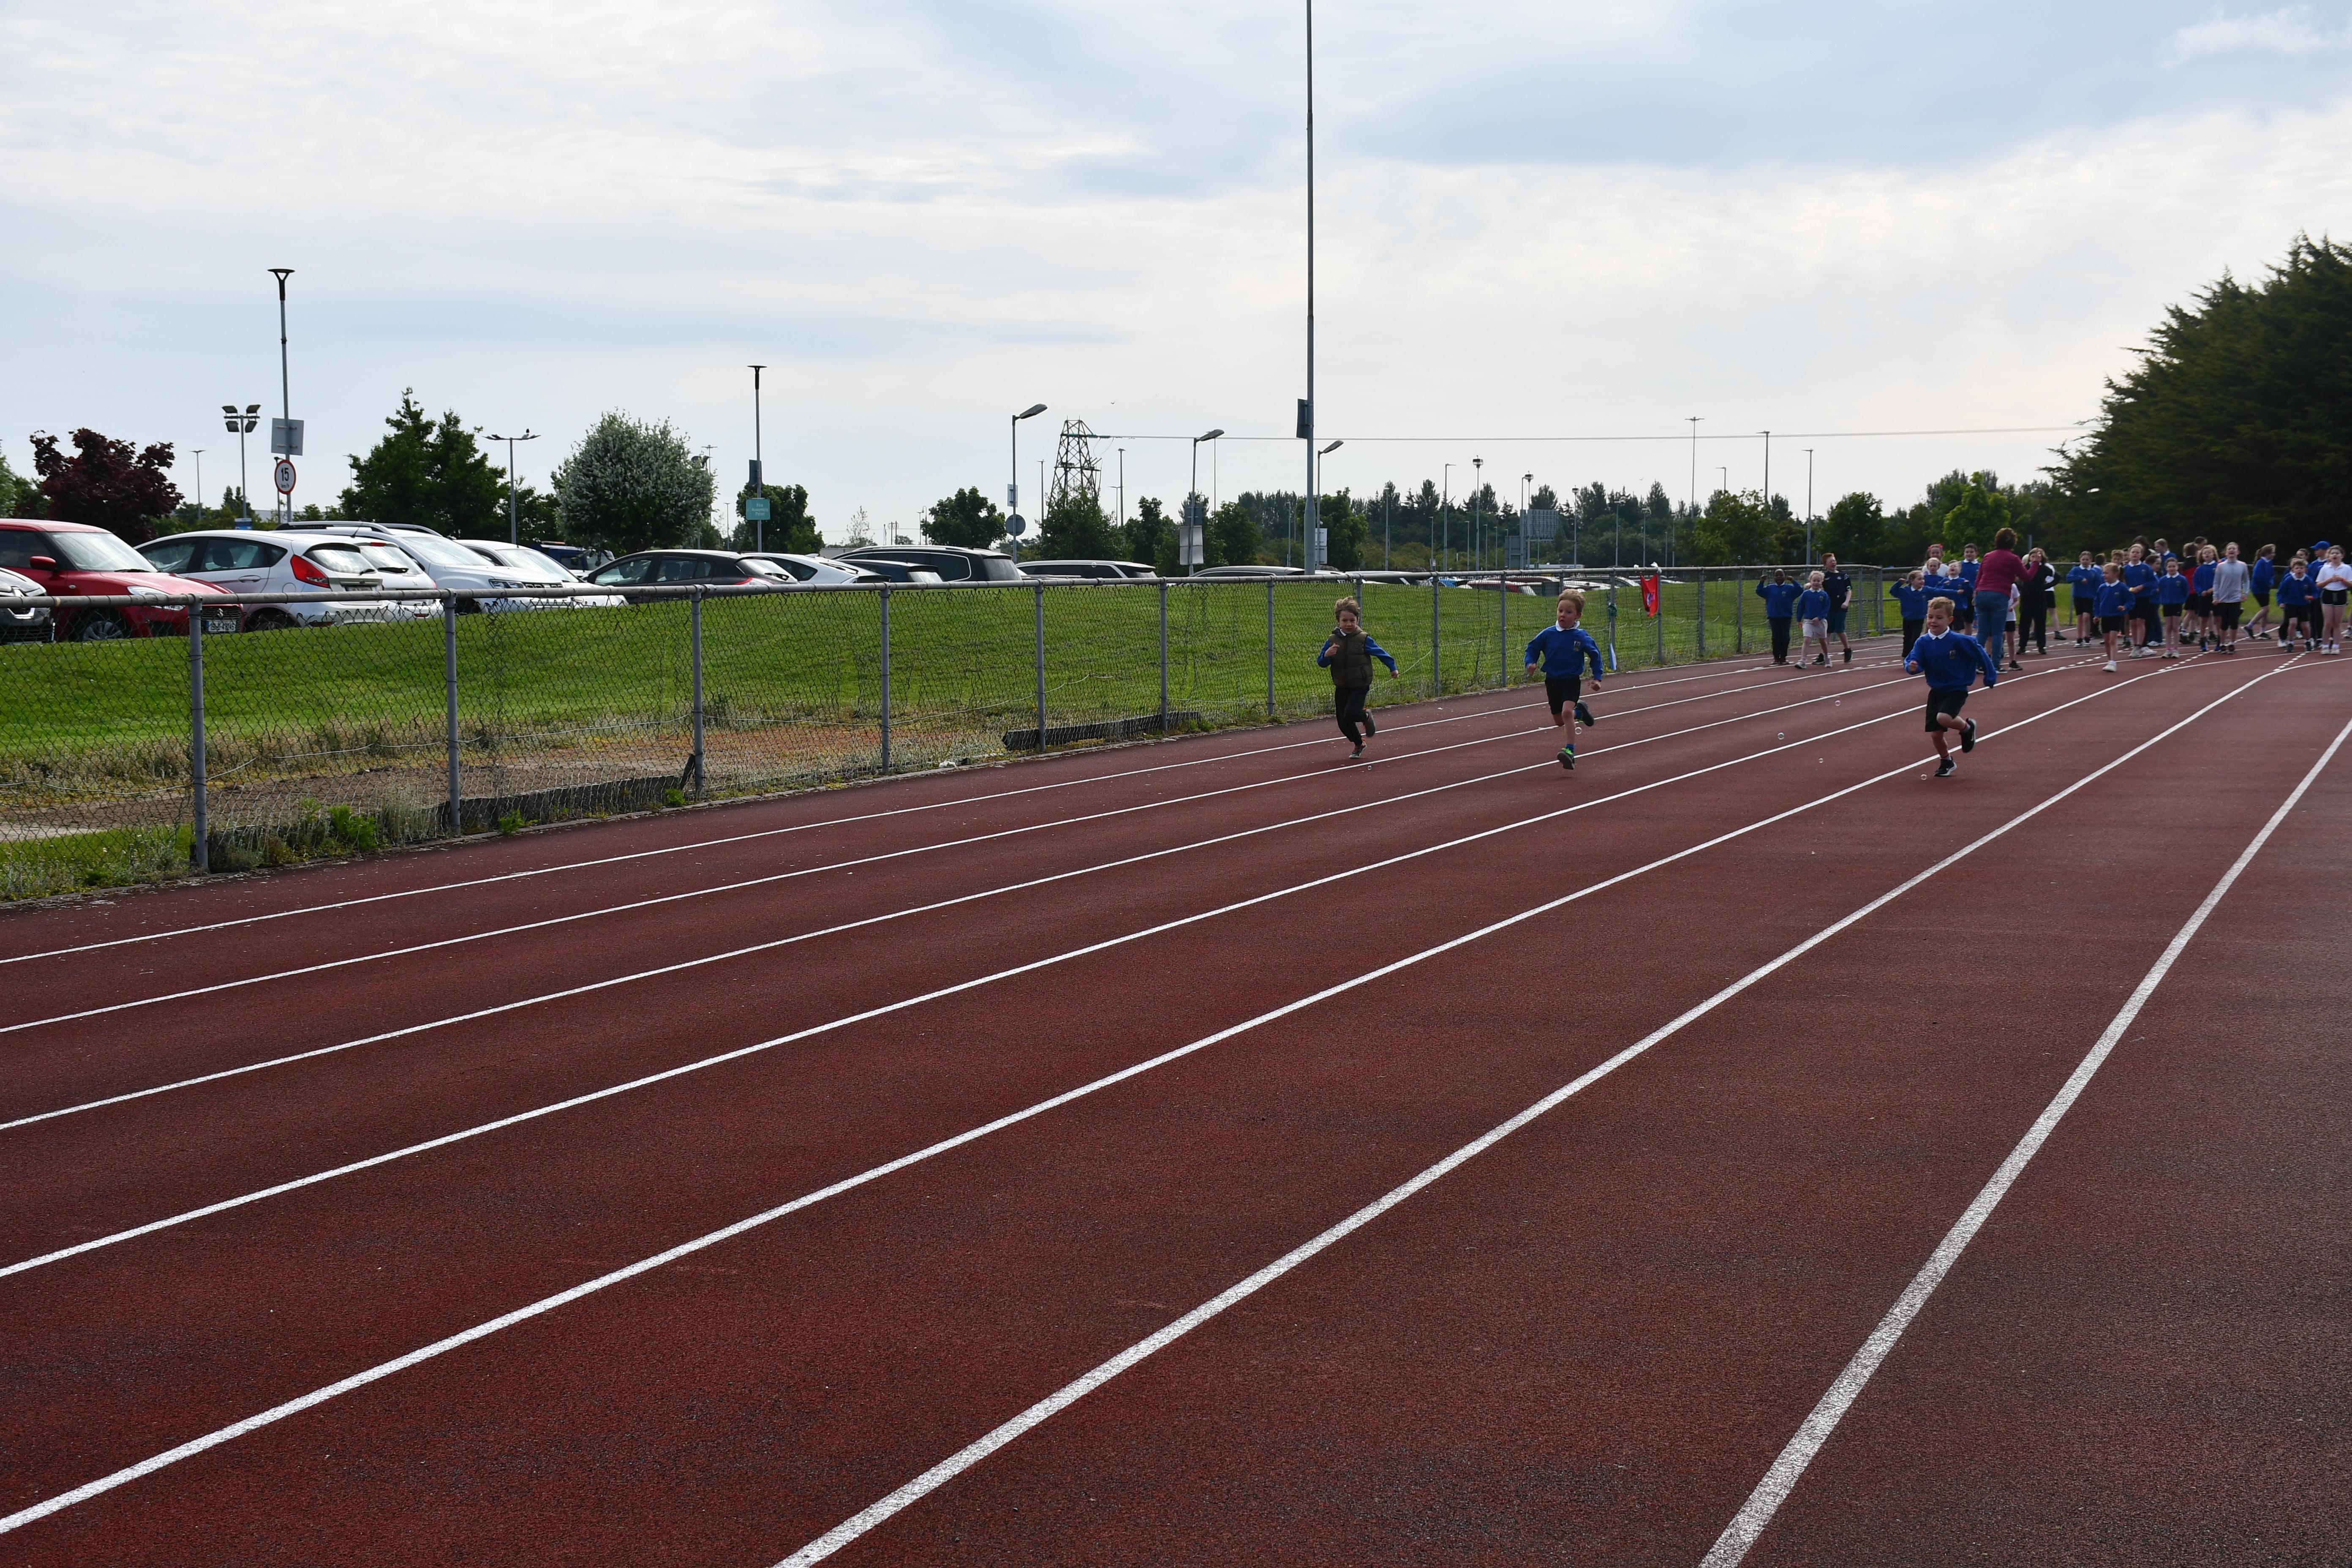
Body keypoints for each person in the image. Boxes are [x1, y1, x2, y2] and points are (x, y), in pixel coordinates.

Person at [1904, 594, 2000, 778]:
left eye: (1939, 618)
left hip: (1957, 688)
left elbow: (1981, 655)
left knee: (1944, 718)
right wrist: (1912, 667)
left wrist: (1990, 676)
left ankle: (1967, 728)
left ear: (1950, 620)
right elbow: (1914, 660)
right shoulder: (1923, 642)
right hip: (1937, 690)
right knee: (1936, 735)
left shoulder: (1961, 641)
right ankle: (1947, 761)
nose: (1933, 621)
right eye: (1930, 617)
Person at [1524, 590, 1605, 768]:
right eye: (1560, 611)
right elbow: (1532, 648)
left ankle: (1570, 751)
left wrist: (1597, 678)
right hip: (1552, 681)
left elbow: (1596, 655)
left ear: (1578, 616)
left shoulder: (1581, 637)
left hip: (1571, 681)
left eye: (1569, 612)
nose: (1563, 615)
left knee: (1566, 713)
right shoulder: (1548, 634)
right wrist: (1530, 663)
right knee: (1560, 721)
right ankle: (1580, 713)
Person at [1316, 595, 1399, 758]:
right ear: (1338, 621)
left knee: (1352, 713)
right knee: (1343, 722)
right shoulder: (1332, 640)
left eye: (1352, 621)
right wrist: (1327, 655)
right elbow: (1322, 663)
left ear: (1357, 620)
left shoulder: (1363, 639)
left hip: (1360, 684)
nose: (1349, 624)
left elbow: (1381, 653)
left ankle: (1365, 716)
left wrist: (1393, 667)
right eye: (1345, 621)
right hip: (1342, 685)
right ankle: (1359, 743)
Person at [1972, 527, 2029, 669]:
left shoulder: (1988, 556)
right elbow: (2027, 577)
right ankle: (1995, 664)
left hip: (1982, 593)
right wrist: (2035, 564)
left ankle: (1976, 663)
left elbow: (1979, 577)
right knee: (1998, 632)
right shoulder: (2013, 558)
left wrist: (1975, 594)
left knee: (1982, 632)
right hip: (1999, 595)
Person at [2210, 542, 2250, 653]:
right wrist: (2216, 597)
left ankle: (2232, 643)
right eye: (2229, 549)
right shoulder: (2221, 566)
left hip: (2236, 598)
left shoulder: (2242, 565)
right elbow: (2216, 582)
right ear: (2226, 553)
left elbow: (2246, 580)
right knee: (2224, 622)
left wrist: (2245, 593)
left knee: (2234, 621)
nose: (2232, 550)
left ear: (2238, 552)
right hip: (2223, 598)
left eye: (2234, 549)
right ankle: (2222, 644)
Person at [1756, 568, 1802, 664]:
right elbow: (1759, 591)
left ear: (1785, 576)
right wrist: (1762, 582)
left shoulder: (1789, 589)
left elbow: (1800, 590)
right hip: (1774, 617)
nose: (1779, 577)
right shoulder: (1770, 588)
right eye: (1776, 575)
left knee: (1785, 638)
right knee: (1776, 638)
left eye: (1781, 575)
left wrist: (1793, 581)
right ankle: (1776, 658)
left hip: (1786, 617)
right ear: (1774, 577)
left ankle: (1783, 657)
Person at [2017, 546, 2055, 656]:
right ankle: (2022, 646)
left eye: (2038, 556)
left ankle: (2041, 646)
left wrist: (2046, 587)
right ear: (2029, 557)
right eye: (2033, 556)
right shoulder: (2025, 568)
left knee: (2040, 623)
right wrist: (2021, 588)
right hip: (2026, 599)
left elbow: (2057, 577)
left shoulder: (2044, 569)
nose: (2035, 558)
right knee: (2024, 623)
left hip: (2040, 599)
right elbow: (2016, 579)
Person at [2095, 561, 2133, 672]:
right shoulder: (2102, 588)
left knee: (2113, 640)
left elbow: (2130, 600)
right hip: (2105, 616)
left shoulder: (2122, 587)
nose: (2104, 575)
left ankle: (2113, 662)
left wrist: (2125, 607)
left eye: (2107, 573)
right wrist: (2097, 615)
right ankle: (2109, 661)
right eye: (2104, 573)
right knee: (2107, 641)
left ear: (2115, 574)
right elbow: (2097, 602)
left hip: (2116, 616)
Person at [2122, 544, 2159, 652]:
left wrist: (2142, 587)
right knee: (2133, 622)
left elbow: (2153, 582)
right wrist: (2130, 589)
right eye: (2133, 552)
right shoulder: (2125, 569)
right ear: (2130, 554)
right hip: (2131, 599)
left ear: (2141, 555)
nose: (2135, 554)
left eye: (2138, 552)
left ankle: (2141, 645)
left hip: (2144, 597)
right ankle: (2135, 645)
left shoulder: (2146, 568)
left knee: (2141, 621)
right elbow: (2122, 584)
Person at [1820, 552, 1855, 662]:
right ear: (1826, 565)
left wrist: (1847, 602)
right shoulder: (1824, 577)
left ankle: (1847, 649)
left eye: (1834, 561)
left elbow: (1849, 590)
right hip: (1830, 606)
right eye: (1831, 562)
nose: (1833, 563)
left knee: (1839, 629)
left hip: (1841, 606)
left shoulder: (1843, 575)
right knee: (1828, 630)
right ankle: (1824, 654)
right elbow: (1816, 584)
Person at [2278, 554, 2317, 652]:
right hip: (2291, 604)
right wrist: (2281, 602)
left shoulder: (2308, 580)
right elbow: (2281, 592)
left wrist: (2311, 597)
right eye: (2297, 568)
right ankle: (2290, 643)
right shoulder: (2289, 580)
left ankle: (2308, 641)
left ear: (2305, 570)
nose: (2299, 570)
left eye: (2301, 568)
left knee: (2305, 626)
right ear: (2293, 570)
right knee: (2293, 623)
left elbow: (2315, 592)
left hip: (2304, 605)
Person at [1892, 568, 1933, 660]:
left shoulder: (1926, 590)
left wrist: (1956, 592)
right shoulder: (1905, 591)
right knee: (1907, 637)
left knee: (1915, 638)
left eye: (1923, 579)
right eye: (1919, 579)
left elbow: (1940, 591)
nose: (1922, 581)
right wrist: (1899, 583)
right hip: (1908, 619)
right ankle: (1905, 655)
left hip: (1919, 619)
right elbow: (1893, 591)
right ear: (1912, 581)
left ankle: (1912, 656)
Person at [2318, 544, 2352, 654]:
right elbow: (2319, 584)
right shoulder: (2325, 568)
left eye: (2337, 553)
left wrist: (2342, 579)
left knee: (2337, 623)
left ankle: (2336, 646)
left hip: (2341, 594)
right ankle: (2325, 645)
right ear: (2329, 556)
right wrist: (2330, 580)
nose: (2335, 555)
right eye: (2332, 553)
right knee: (2328, 623)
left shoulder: (2347, 568)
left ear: (2342, 556)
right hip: (2328, 594)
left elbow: (2350, 584)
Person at [2153, 555, 2189, 659]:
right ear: (2166, 568)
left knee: (2175, 627)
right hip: (2167, 605)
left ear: (2177, 567)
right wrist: (2163, 600)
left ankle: (2176, 649)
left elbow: (2186, 591)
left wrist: (2181, 600)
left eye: (2174, 566)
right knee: (2168, 627)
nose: (2172, 569)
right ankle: (2168, 649)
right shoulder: (2163, 580)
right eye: (2170, 567)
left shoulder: (2182, 579)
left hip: (2177, 605)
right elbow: (2159, 590)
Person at [1797, 570, 1833, 665]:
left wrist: (1819, 618)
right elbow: (1801, 607)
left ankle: (1827, 657)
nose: (1816, 583)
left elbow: (1826, 608)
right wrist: (1799, 620)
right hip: (1808, 621)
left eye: (1818, 581)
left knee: (1823, 641)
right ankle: (1803, 660)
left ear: (1822, 582)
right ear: (1811, 581)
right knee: (1807, 640)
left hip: (1821, 622)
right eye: (1814, 581)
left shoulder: (1824, 595)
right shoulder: (1806, 594)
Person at [2068, 550, 2103, 645]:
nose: (2085, 562)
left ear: (2091, 560)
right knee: (2080, 617)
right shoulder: (2076, 570)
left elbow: (2099, 583)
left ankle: (2087, 636)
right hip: (2078, 596)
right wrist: (2080, 578)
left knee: (2086, 617)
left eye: (2087, 560)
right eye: (2083, 560)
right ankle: (2079, 638)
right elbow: (2069, 578)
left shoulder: (2094, 572)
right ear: (2080, 560)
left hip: (2090, 597)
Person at [2189, 545, 2218, 649]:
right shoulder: (2200, 569)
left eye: (2209, 552)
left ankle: (2220, 638)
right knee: (2204, 618)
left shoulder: (2218, 567)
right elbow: (2196, 582)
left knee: (2218, 617)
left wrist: (2213, 589)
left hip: (2216, 595)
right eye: (2205, 553)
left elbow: (2221, 581)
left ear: (2214, 555)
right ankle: (2203, 638)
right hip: (2204, 596)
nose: (2207, 554)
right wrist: (2201, 591)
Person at [2246, 544, 2276, 639]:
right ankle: (2249, 626)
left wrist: (2271, 583)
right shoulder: (2261, 563)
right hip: (2259, 589)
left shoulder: (2269, 562)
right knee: (2265, 609)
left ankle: (2263, 631)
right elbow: (2258, 577)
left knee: (2266, 610)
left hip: (2265, 589)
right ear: (2267, 553)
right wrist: (2266, 585)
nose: (2274, 555)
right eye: (2273, 553)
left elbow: (2272, 575)